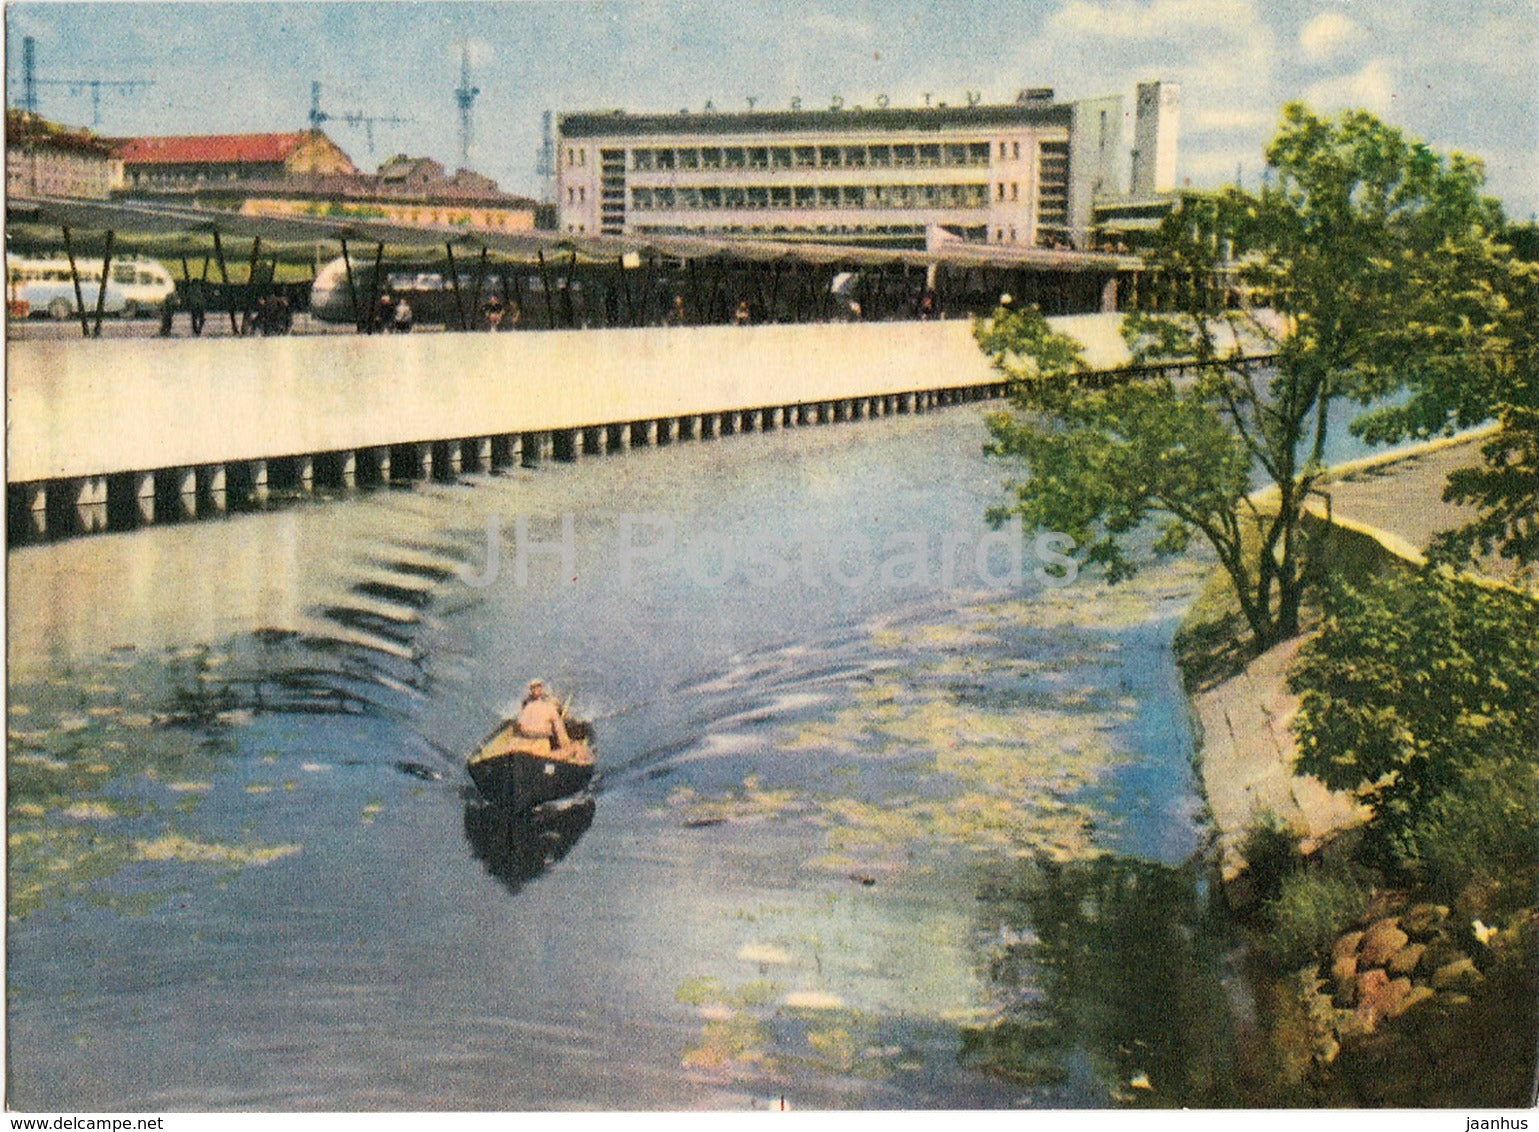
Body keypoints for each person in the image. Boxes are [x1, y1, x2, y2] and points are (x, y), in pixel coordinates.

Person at [515, 679, 570, 749]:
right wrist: (567, 747)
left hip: (523, 744)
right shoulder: (550, 708)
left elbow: (519, 727)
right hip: (541, 745)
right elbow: (561, 734)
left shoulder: (526, 709)